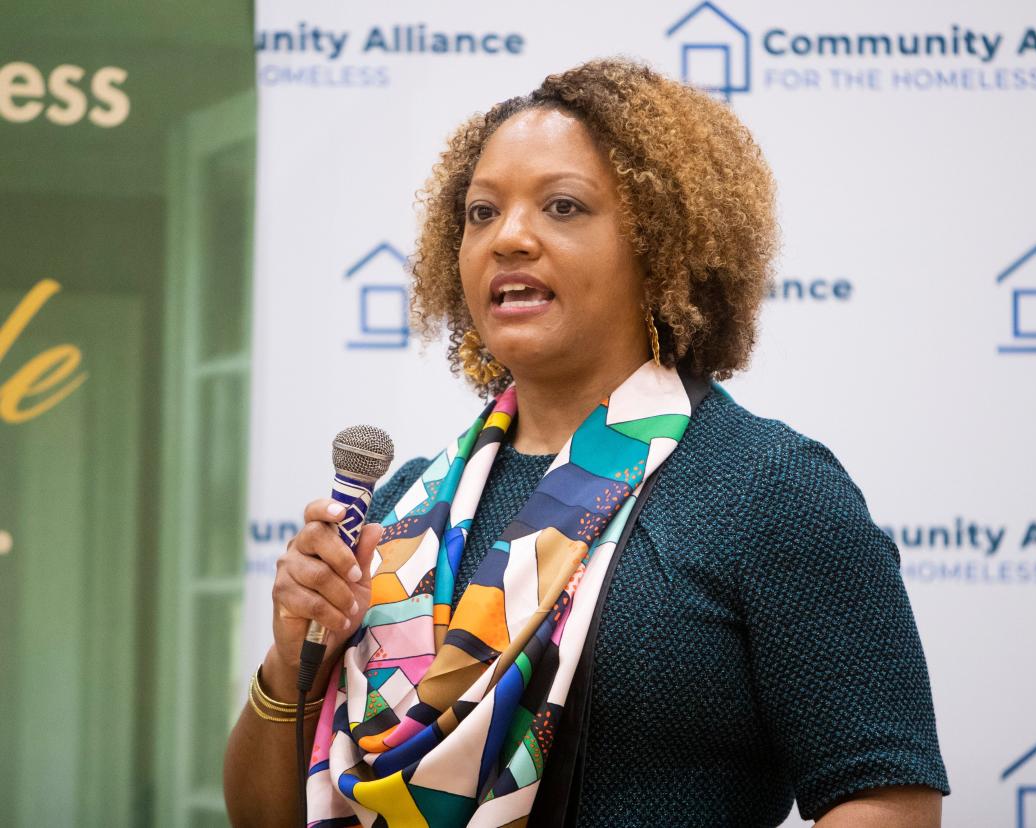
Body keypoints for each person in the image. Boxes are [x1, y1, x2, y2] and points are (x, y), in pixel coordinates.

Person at [224, 57, 949, 827]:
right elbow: (265, 816)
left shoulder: (769, 489)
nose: (509, 237)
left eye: (563, 207)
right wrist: (293, 663)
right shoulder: (406, 505)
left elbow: (889, 801)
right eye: (480, 213)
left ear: (662, 245)